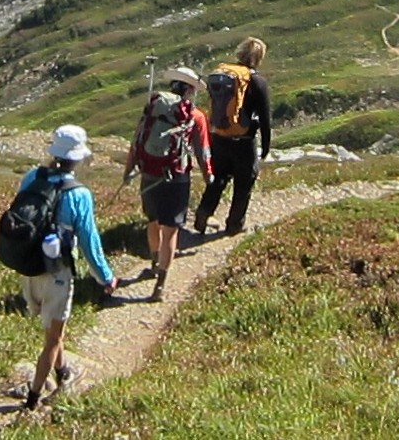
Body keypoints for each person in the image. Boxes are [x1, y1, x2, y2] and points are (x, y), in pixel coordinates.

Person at [17, 124, 120, 411]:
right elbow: (89, 241)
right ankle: (32, 401)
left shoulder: (31, 177)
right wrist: (106, 277)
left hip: (29, 268)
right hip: (57, 274)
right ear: (77, 159)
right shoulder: (79, 194)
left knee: (52, 330)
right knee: (52, 339)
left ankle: (63, 373)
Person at [122, 66, 212, 301]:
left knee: (153, 221)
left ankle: (153, 263)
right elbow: (203, 152)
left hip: (149, 172)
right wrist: (208, 177)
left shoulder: (152, 107)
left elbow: (136, 140)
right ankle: (160, 285)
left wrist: (129, 170)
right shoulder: (195, 115)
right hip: (176, 176)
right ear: (190, 89)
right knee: (171, 231)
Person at [194, 36, 272, 237]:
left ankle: (203, 212)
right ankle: (234, 224)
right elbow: (265, 117)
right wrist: (266, 146)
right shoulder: (257, 82)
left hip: (219, 136)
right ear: (259, 57)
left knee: (218, 178)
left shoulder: (224, 75)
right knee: (244, 182)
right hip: (244, 141)